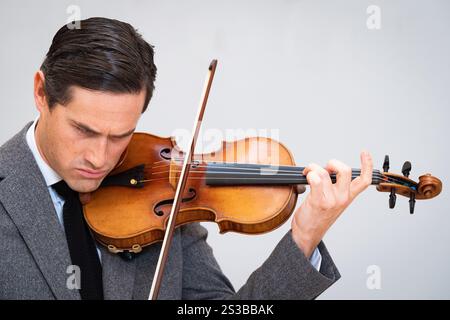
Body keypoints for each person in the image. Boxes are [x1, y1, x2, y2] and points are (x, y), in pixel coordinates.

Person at [0, 17, 372, 300]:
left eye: (120, 135)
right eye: (83, 130)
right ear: (40, 92)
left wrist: (305, 235)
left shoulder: (165, 197)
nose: (100, 158)